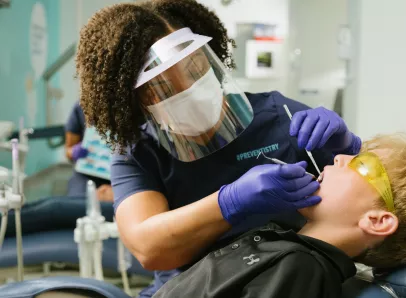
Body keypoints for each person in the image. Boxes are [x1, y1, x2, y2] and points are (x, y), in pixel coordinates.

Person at [75, 1, 361, 296]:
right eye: (161, 87)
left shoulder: (280, 115)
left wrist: (350, 148)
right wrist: (231, 202)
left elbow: (375, 198)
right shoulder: (139, 153)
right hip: (192, 289)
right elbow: (149, 248)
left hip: (282, 280)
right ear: (135, 101)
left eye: (194, 66)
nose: (188, 87)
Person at [152, 133, 406, 298]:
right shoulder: (289, 243)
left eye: (362, 165)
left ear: (377, 221)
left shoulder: (302, 269)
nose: (341, 157)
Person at [65, 101, 114, 202]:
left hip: (122, 174)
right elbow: (68, 150)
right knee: (77, 205)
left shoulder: (133, 104)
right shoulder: (80, 107)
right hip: (86, 173)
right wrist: (74, 152)